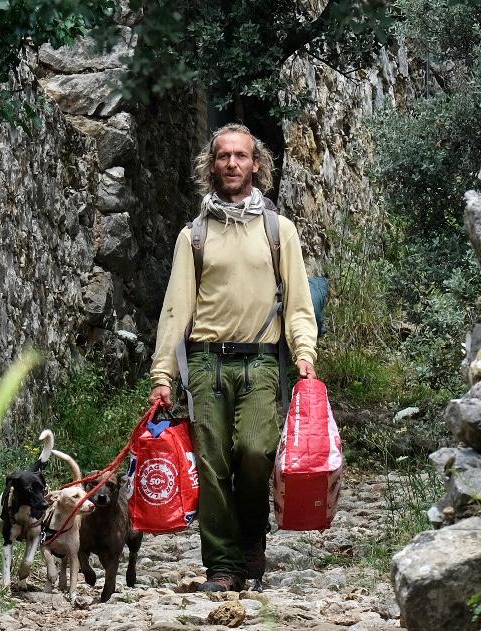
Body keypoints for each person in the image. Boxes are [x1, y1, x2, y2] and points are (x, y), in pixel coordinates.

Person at [148, 123, 318, 592]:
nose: (231, 164)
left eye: (240, 156)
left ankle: (251, 542)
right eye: (223, 156)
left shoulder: (278, 230)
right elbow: (175, 309)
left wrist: (304, 353)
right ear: (212, 165)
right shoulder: (195, 235)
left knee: (256, 451)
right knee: (212, 463)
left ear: (256, 165)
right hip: (204, 364)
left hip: (262, 362)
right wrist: (163, 373)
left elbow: (300, 303)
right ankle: (223, 565)